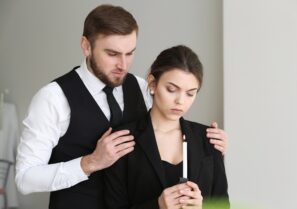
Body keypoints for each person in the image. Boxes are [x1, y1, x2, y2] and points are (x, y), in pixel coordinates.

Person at [15, 4, 228, 209]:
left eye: (130, 53)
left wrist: (211, 146)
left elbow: (165, 131)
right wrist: (90, 163)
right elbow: (24, 179)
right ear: (86, 46)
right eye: (113, 54)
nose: (123, 65)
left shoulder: (141, 87)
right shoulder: (53, 98)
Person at [104, 45, 229, 209]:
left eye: (190, 93)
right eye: (171, 89)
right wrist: (157, 206)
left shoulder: (209, 138)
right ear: (152, 83)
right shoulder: (123, 139)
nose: (180, 101)